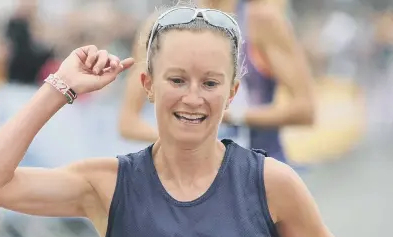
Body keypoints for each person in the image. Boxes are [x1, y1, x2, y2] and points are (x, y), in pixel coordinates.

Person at [0, 5, 362, 237]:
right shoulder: (108, 185)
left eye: (210, 82)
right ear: (147, 85)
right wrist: (61, 87)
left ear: (233, 92)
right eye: (176, 80)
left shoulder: (270, 182)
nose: (193, 97)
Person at [119, 0, 315, 164]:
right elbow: (128, 123)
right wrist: (187, 140)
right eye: (178, 80)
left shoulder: (262, 21)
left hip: (258, 176)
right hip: (188, 181)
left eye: (211, 84)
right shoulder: (160, 27)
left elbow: (305, 110)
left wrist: (233, 116)